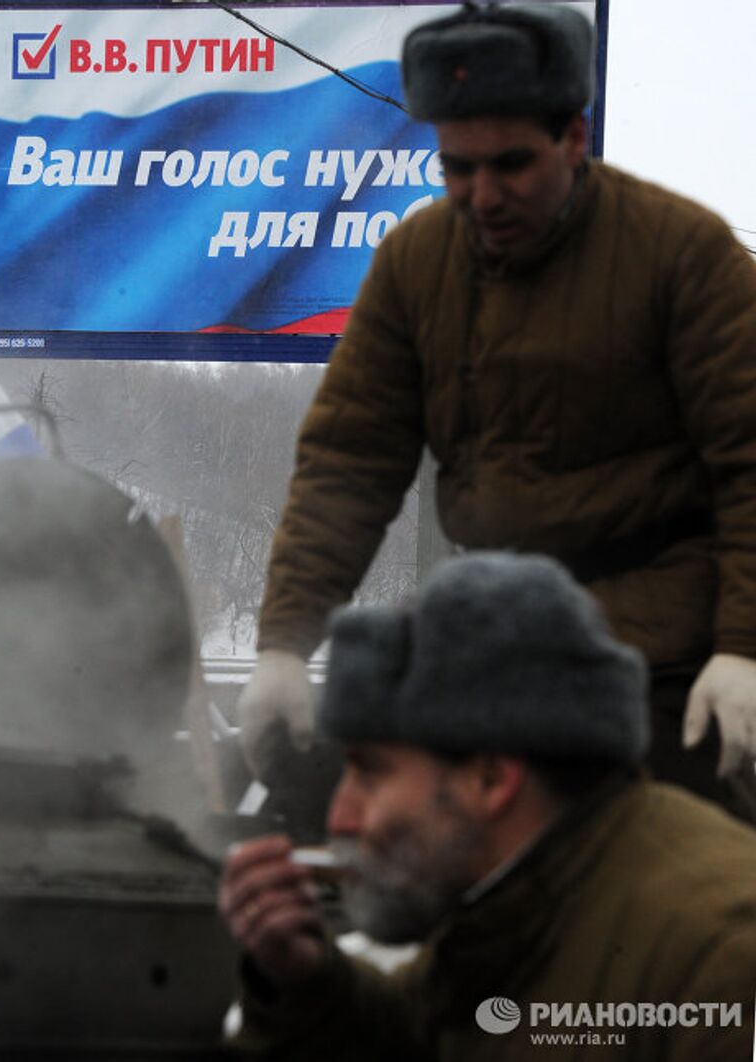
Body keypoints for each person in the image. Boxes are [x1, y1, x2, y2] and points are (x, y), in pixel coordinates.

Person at [238, 3, 756, 807]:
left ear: (574, 140)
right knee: (332, 814)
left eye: (511, 164)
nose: (482, 196)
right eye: (457, 169)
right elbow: (349, 463)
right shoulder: (416, 263)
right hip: (490, 637)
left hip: (664, 655)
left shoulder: (684, 255)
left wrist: (743, 651)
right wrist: (282, 646)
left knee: (657, 872)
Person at [220, 552, 756, 1061]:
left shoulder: (721, 957)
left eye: (371, 772)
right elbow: (431, 1030)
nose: (341, 817)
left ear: (491, 779)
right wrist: (307, 983)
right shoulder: (520, 895)